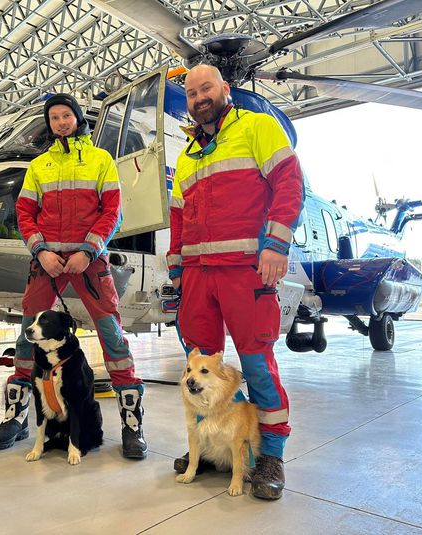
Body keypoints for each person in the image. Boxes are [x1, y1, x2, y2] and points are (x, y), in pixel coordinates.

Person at [167, 65, 303, 499]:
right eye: (191, 93)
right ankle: (209, 450)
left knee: (257, 364)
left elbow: (288, 181)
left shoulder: (257, 127)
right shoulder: (188, 152)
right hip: (198, 278)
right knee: (200, 371)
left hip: (246, 272)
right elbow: (177, 216)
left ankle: (271, 455)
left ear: (226, 89)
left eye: (206, 88)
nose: (198, 97)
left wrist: (276, 244)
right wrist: (177, 268)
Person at [0, 94, 148, 459]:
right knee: (28, 337)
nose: (61, 122)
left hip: (89, 263)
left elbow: (113, 212)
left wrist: (87, 250)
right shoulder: (39, 165)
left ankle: (131, 423)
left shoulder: (101, 160)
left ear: (77, 118)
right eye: (54, 117)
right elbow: (24, 212)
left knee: (113, 337)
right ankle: (17, 416)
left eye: (66, 115)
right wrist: (41, 251)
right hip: (46, 264)